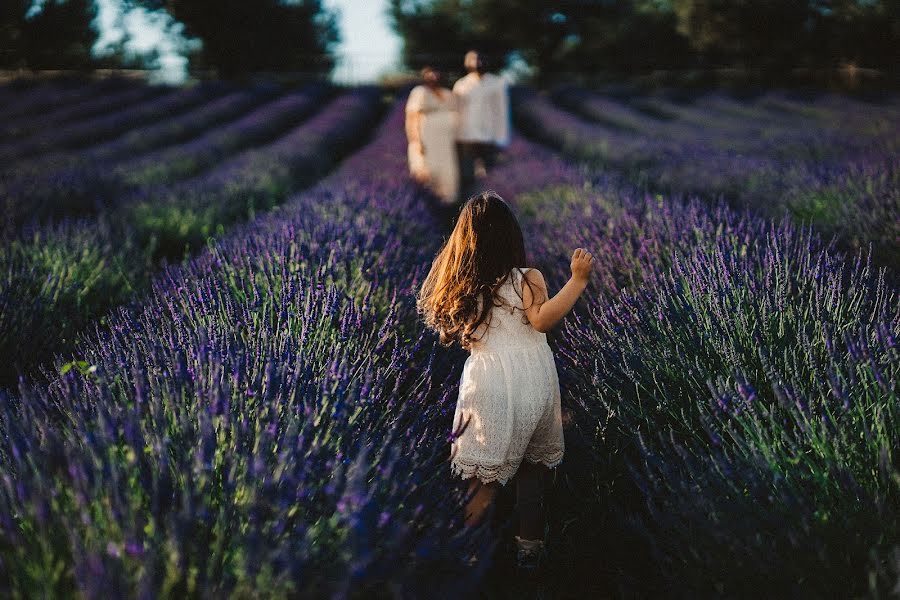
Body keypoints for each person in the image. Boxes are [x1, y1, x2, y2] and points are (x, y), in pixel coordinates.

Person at [416, 191, 593, 572]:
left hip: (489, 385)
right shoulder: (527, 279)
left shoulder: (463, 286)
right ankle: (530, 551)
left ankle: (467, 551)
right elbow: (543, 321)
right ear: (513, 236)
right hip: (534, 382)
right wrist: (577, 281)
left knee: (482, 479)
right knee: (533, 473)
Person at [453, 51, 510, 193]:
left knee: (490, 175)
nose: (478, 63)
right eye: (473, 60)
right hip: (466, 135)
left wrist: (502, 139)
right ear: (467, 63)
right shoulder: (461, 84)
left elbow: (502, 112)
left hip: (488, 136)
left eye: (480, 60)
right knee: (467, 175)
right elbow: (456, 111)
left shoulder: (497, 83)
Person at [405, 66, 460, 204]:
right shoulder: (419, 92)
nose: (434, 76)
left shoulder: (447, 93)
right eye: (430, 73)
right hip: (427, 137)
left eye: (437, 73)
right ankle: (429, 203)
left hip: (446, 140)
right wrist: (416, 140)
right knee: (428, 169)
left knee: (447, 170)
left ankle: (448, 202)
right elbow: (412, 118)